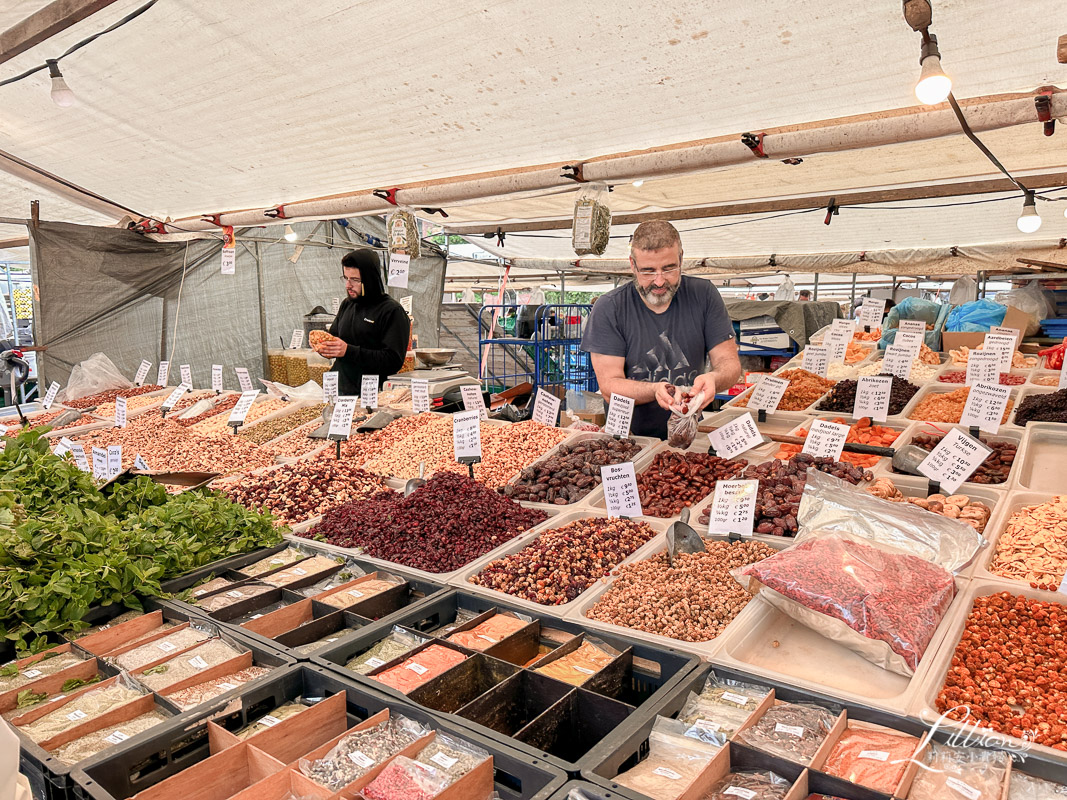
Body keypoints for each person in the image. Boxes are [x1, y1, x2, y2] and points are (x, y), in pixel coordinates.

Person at [581, 220, 741, 438]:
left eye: (668, 268)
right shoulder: (610, 307)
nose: (659, 281)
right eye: (648, 271)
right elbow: (609, 386)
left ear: (681, 259)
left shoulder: (703, 295)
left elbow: (729, 364)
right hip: (627, 437)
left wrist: (714, 378)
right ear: (632, 265)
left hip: (689, 431)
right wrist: (655, 390)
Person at [314, 249, 409, 396]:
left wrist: (348, 351)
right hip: (339, 390)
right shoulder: (347, 304)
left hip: (370, 394)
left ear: (370, 279)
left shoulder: (391, 311)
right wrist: (324, 346)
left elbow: (392, 361)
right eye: (346, 278)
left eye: (355, 280)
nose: (348, 285)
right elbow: (334, 340)